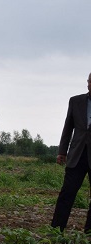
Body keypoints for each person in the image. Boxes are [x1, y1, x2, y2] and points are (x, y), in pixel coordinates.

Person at [51, 73, 91, 234]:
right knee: (67, 191)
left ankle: (89, 231)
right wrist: (62, 151)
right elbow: (68, 127)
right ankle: (57, 228)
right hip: (77, 154)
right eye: (90, 81)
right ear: (87, 83)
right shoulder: (75, 101)